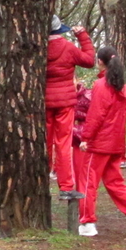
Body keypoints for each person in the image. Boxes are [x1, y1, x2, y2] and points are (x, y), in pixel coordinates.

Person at [78, 47, 126, 237]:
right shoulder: (123, 87)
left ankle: (87, 223)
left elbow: (96, 115)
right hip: (115, 143)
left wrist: (86, 137)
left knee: (88, 182)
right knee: (114, 182)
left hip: (100, 143)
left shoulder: (101, 85)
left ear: (100, 62)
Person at [46, 15, 95, 200]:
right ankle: (66, 187)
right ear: (59, 30)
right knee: (63, 144)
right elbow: (89, 60)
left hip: (44, 103)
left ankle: (41, 183)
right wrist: (82, 35)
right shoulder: (68, 47)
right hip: (65, 103)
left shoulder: (38, 49)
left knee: (44, 143)